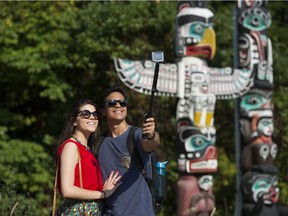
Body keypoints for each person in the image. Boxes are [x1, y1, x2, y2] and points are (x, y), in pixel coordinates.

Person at [96, 86, 161, 216]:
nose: (118, 105)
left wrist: (151, 135)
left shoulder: (136, 135)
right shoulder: (98, 143)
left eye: (123, 102)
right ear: (103, 111)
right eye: (112, 103)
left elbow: (150, 144)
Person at [55, 99, 121, 215]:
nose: (92, 117)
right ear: (74, 121)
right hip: (78, 211)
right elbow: (67, 190)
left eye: (95, 114)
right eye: (85, 114)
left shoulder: (88, 149)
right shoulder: (71, 146)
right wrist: (103, 194)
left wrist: (103, 189)